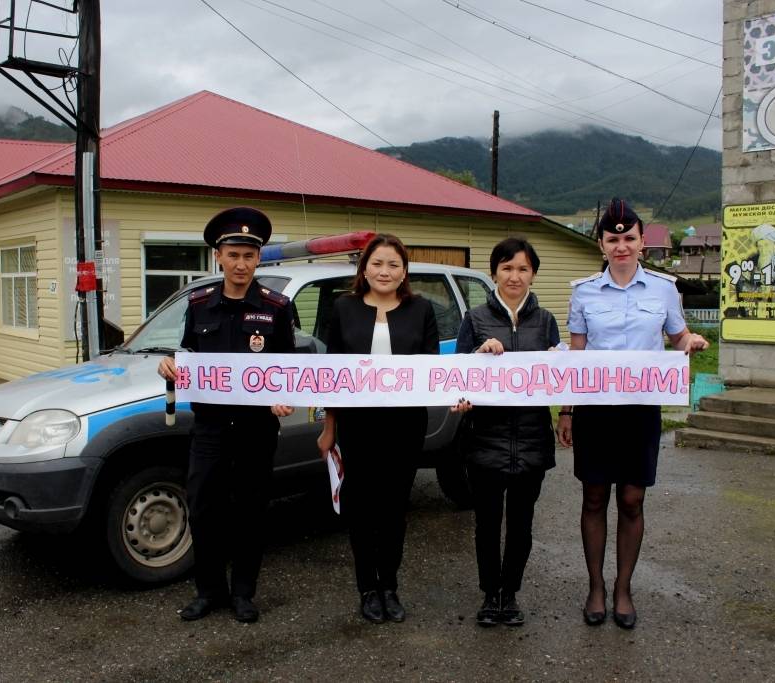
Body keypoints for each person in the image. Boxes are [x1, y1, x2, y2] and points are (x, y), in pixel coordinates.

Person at [555, 198, 708, 630]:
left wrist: (690, 343)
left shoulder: (663, 289)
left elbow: (677, 335)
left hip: (641, 410)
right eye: (612, 239)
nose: (621, 246)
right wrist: (566, 409)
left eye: (629, 238)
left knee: (632, 499)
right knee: (595, 496)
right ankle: (595, 588)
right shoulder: (584, 291)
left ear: (642, 242)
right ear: (600, 244)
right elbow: (578, 353)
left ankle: (623, 587)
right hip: (595, 411)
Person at [158, 207, 295, 624]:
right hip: (211, 428)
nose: (241, 264)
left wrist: (283, 395)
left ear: (259, 259)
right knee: (203, 508)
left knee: (250, 510)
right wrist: (170, 365)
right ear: (218, 256)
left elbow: (289, 367)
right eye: (233, 254)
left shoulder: (277, 308)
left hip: (256, 428)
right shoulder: (200, 305)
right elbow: (187, 354)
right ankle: (209, 591)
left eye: (249, 256)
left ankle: (244, 594)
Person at [316, 233, 439, 624]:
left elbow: (433, 370)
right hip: (357, 426)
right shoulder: (344, 308)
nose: (385, 271)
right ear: (364, 268)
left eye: (393, 264)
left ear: (404, 271)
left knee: (394, 508)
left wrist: (459, 391)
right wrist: (329, 426)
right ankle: (367, 588)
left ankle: (389, 585)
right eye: (377, 263)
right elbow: (331, 375)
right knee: (361, 507)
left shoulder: (421, 310)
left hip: (404, 426)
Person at [451, 237, 560, 628]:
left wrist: (555, 365)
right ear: (494, 271)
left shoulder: (546, 321)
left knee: (522, 524)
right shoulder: (475, 319)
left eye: (523, 269)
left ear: (533, 273)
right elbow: (457, 380)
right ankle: (488, 594)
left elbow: (559, 379)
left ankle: (510, 593)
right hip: (485, 441)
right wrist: (478, 358)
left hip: (531, 440)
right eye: (507, 268)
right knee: (486, 523)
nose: (515, 276)